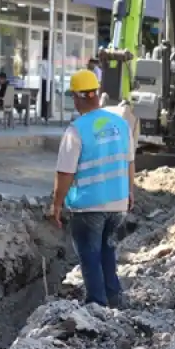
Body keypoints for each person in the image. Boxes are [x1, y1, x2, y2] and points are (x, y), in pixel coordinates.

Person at [51, 69, 134, 308]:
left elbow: (65, 173)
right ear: (96, 94)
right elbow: (129, 160)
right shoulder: (120, 124)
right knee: (108, 252)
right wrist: (130, 192)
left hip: (88, 206)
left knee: (89, 256)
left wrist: (56, 205)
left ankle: (97, 305)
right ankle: (114, 299)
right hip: (118, 203)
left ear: (77, 98)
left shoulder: (76, 130)